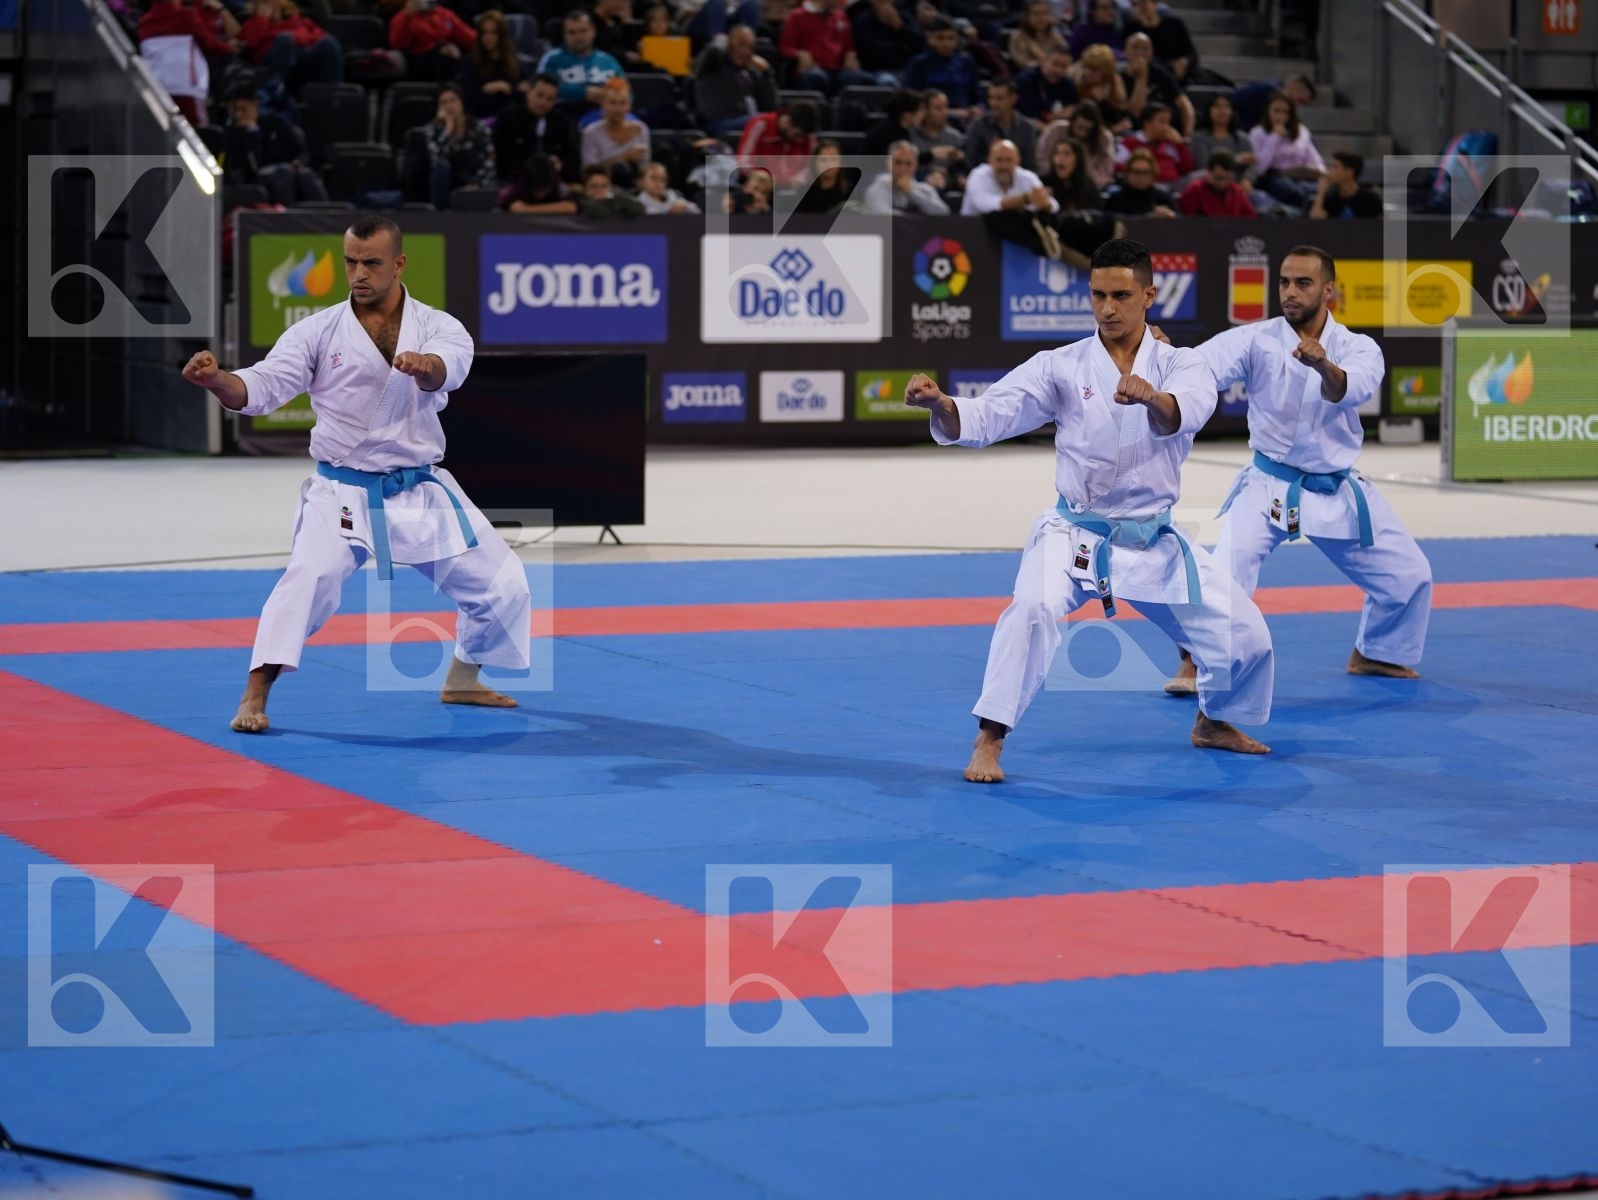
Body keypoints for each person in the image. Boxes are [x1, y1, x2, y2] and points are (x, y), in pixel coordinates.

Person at [904, 237, 1276, 783]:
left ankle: (1214, 720)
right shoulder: (1061, 365)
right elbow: (992, 415)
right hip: (1076, 534)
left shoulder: (1181, 364)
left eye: (1121, 295)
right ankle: (989, 739)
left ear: (1149, 295)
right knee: (1032, 608)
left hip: (1155, 541)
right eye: (1098, 294)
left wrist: (1151, 397)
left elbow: (1187, 413)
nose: (1107, 307)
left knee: (1248, 637)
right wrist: (944, 406)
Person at [180, 215, 532, 734]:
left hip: (417, 487)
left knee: (504, 582)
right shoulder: (319, 331)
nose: (358, 273)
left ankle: (461, 678)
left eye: (371, 262)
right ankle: (255, 693)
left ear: (399, 263)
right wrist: (217, 381)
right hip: (343, 489)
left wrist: (425, 366)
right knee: (309, 580)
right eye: (350, 262)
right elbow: (262, 386)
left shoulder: (438, 326)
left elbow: (450, 366)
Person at [1162, 246, 1431, 695]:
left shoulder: (1358, 347)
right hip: (1270, 483)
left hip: (1335, 488)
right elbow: (1200, 366)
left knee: (1410, 576)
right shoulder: (1255, 339)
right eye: (1284, 282)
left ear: (1329, 291)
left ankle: (1379, 653)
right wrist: (1162, 356)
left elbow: (1350, 387)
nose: (1290, 292)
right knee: (1225, 573)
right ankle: (1196, 662)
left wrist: (1323, 364)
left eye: (1303, 284)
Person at [137, 0, 241, 127]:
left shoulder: (144, 23)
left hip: (157, 88)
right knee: (199, 132)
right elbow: (209, 44)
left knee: (159, 130)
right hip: (185, 86)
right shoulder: (184, 16)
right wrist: (229, 47)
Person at [221, 83, 328, 205]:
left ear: (254, 104)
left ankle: (327, 214)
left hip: (288, 169)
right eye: (234, 111)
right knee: (283, 172)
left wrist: (299, 162)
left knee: (306, 175)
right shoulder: (232, 132)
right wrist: (252, 134)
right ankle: (285, 216)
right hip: (258, 177)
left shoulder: (276, 122)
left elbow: (300, 150)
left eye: (243, 109)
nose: (239, 115)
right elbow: (248, 165)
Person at [961, 138, 1062, 260]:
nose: (1003, 165)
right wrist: (1026, 198)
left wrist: (1045, 203)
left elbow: (1054, 205)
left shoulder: (1027, 177)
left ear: (1018, 161)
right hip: (974, 237)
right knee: (999, 216)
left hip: (1015, 243)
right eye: (999, 160)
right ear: (989, 160)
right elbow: (985, 205)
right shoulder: (978, 176)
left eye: (1008, 160)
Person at [692, 23, 778, 139]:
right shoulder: (714, 63)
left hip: (749, 121)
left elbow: (770, 107)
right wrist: (725, 40)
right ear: (729, 44)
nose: (745, 51)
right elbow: (715, 48)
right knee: (762, 122)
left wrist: (767, 73)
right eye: (741, 44)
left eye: (750, 47)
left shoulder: (751, 73)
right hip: (719, 122)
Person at [238, 0, 342, 93]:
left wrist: (299, 38)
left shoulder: (297, 20)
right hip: (272, 56)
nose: (271, 5)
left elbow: (316, 35)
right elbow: (251, 44)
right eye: (265, 3)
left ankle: (332, 95)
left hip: (301, 53)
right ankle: (275, 92)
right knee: (285, 39)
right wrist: (261, 19)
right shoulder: (252, 22)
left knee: (329, 43)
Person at [420, 83, 497, 207]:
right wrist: (448, 129)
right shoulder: (432, 129)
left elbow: (489, 160)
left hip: (475, 182)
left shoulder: (478, 127)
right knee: (441, 167)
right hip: (445, 184)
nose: (449, 106)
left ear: (462, 102)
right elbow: (438, 158)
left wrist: (476, 182)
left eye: (453, 100)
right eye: (443, 102)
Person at [493, 73, 579, 184]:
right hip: (515, 181)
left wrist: (560, 163)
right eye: (540, 95)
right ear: (529, 92)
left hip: (555, 182)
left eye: (550, 99)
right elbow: (503, 157)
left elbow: (573, 157)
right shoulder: (507, 118)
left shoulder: (562, 121)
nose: (543, 102)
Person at [778, 0, 880, 93]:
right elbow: (785, 48)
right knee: (816, 78)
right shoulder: (797, 16)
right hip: (811, 69)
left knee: (866, 80)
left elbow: (849, 45)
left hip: (837, 70)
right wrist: (799, 54)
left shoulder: (841, 16)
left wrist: (851, 54)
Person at [1250, 89, 1325, 209]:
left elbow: (1315, 159)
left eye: (1285, 112)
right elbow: (1259, 168)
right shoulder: (1257, 133)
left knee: (1325, 189)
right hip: (1274, 177)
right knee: (1290, 190)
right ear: (1268, 111)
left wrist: (1320, 172)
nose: (1280, 116)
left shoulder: (1302, 131)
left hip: (1301, 177)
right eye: (1276, 111)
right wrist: (1274, 138)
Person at [536, 10, 623, 112]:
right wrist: (583, 93)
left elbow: (626, 92)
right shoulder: (552, 59)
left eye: (583, 31)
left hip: (607, 115)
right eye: (572, 32)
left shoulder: (608, 61)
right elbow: (541, 90)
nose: (578, 37)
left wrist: (609, 96)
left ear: (593, 31)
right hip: (565, 114)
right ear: (564, 35)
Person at [902, 18, 981, 119]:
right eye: (941, 38)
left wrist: (977, 109)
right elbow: (912, 100)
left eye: (951, 38)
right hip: (930, 122)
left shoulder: (966, 62)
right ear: (931, 39)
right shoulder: (919, 64)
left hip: (966, 120)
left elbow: (979, 97)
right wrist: (950, 113)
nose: (946, 43)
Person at [580, 77, 650, 185]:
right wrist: (625, 156)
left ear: (629, 106)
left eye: (623, 103)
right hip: (602, 187)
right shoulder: (591, 132)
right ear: (603, 105)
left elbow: (644, 169)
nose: (618, 109)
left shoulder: (641, 130)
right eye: (613, 103)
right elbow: (590, 171)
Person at [1120, 31, 1192, 136]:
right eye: (1135, 48)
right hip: (1136, 133)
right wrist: (1142, 76)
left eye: (1145, 48)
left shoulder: (1160, 73)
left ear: (1152, 52)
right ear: (1125, 51)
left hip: (1166, 131)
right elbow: (1136, 113)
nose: (1140, 52)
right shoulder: (1120, 78)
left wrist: (1187, 136)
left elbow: (1185, 105)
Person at [456, 9, 522, 120]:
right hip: (481, 119)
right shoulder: (470, 62)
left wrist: (504, 87)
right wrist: (509, 92)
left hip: (511, 119)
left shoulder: (514, 62)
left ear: (502, 35)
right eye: (484, 33)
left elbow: (525, 96)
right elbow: (474, 98)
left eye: (493, 32)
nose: (488, 37)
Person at [735, 101, 819, 186]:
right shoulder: (761, 125)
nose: (800, 141)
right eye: (797, 135)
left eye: (804, 137)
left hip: (795, 189)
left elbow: (811, 166)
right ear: (787, 122)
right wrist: (765, 179)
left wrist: (800, 179)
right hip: (762, 187)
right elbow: (744, 162)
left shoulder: (808, 136)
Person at [964, 79, 1037, 172]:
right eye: (991, 98)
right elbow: (970, 161)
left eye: (999, 98)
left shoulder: (1026, 128)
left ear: (1013, 99)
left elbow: (1030, 164)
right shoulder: (978, 126)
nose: (993, 103)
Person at [859, 139, 949, 213]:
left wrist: (911, 193)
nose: (903, 168)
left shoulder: (925, 190)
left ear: (915, 166)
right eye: (898, 162)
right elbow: (884, 218)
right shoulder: (877, 189)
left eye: (908, 163)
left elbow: (943, 213)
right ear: (888, 163)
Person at [1115, 102, 1191, 184]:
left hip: (1175, 186)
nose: (1167, 127)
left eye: (1168, 122)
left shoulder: (1171, 143)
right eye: (1162, 122)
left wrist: (1180, 145)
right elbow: (1115, 167)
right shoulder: (1128, 144)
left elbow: (1186, 169)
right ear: (1147, 123)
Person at [1124, 0, 1197, 83]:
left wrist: (1184, 61)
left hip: (1179, 74)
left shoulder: (1175, 24)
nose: (1141, 7)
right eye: (1135, 5)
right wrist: (1144, 26)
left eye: (1143, 3)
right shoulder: (1132, 29)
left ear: (1154, 3)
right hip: (1151, 75)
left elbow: (1192, 54)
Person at [852, 0, 924, 76]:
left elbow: (919, 43)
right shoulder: (862, 21)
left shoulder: (904, 17)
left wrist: (899, 26)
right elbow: (870, 52)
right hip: (876, 70)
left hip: (906, 69)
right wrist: (901, 48)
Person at [910, 88, 967, 183]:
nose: (944, 112)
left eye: (946, 107)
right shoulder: (911, 136)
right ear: (925, 111)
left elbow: (964, 169)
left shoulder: (955, 137)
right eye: (938, 108)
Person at [1070, 44, 1129, 134]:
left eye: (1094, 70)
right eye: (1086, 67)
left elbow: (1120, 117)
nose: (1088, 72)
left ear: (1106, 72)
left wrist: (1101, 100)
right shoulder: (1074, 80)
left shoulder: (1113, 83)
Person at [1177, 150, 1255, 217]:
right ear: (1208, 172)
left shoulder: (1238, 192)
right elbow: (1186, 222)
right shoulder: (1193, 190)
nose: (1223, 183)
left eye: (1227, 179)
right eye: (1219, 178)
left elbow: (1250, 220)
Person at [1014, 45, 1078, 124]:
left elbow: (1072, 109)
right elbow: (1027, 115)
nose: (1059, 70)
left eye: (1064, 67)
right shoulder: (1025, 81)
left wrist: (1051, 117)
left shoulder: (1066, 82)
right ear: (1043, 61)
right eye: (1055, 64)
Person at [1101, 148, 1175, 216]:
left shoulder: (1163, 198)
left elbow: (1179, 223)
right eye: (1136, 172)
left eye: (1146, 172)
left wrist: (1170, 217)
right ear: (1127, 173)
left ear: (1153, 174)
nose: (1141, 177)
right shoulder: (1115, 200)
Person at [1310, 150, 1383, 218]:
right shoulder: (1331, 197)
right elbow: (1315, 219)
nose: (1330, 171)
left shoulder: (1370, 199)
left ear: (1349, 172)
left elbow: (1380, 227)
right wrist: (1321, 192)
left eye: (1335, 167)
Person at [498, 151, 579, 211]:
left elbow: (571, 207)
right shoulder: (518, 184)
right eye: (538, 190)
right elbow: (511, 207)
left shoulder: (556, 181)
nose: (541, 195)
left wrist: (528, 209)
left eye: (545, 190)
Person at [793, 138, 856, 211]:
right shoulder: (804, 193)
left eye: (833, 159)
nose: (829, 164)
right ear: (815, 163)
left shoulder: (849, 192)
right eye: (823, 159)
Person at [863, 89, 926, 159]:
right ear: (907, 114)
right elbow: (898, 163)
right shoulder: (884, 132)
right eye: (920, 110)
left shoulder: (903, 131)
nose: (923, 115)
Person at [1007, 0, 1065, 72]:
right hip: (1031, 76)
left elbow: (1065, 57)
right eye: (1036, 14)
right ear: (1027, 17)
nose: (1041, 17)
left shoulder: (1055, 37)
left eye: (1045, 13)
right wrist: (1047, 66)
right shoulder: (1018, 37)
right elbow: (1022, 62)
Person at [577, 163, 646, 215]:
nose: (599, 190)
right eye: (594, 186)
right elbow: (600, 211)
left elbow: (639, 208)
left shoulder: (615, 195)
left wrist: (610, 196)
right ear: (585, 188)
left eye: (604, 186)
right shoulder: (579, 200)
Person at [635, 159, 701, 212]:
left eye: (662, 179)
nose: (658, 182)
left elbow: (696, 211)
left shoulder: (672, 195)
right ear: (641, 182)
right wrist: (669, 211)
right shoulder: (639, 203)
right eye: (653, 178)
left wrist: (685, 206)